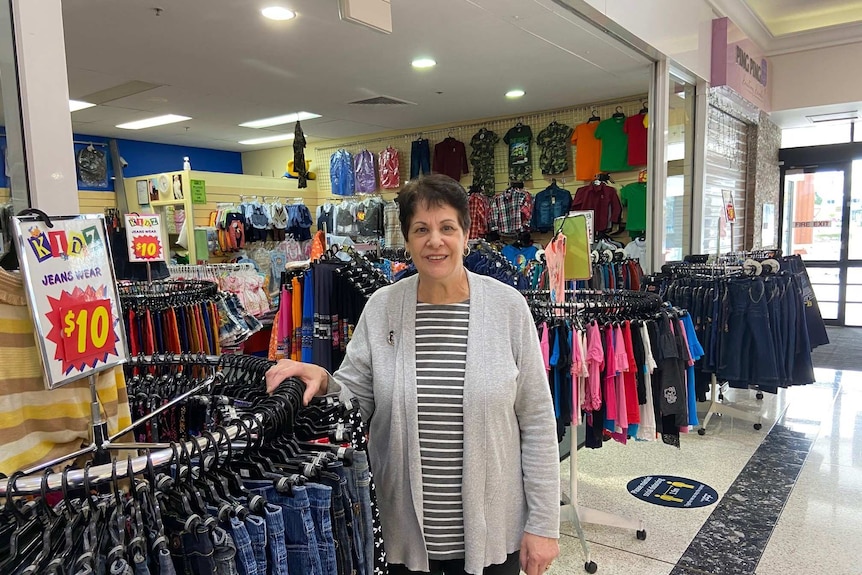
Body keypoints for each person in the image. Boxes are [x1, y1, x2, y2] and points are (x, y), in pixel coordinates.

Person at [265, 174, 560, 575]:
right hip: (402, 535)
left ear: (466, 234)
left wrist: (543, 525)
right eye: (421, 229)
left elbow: (538, 421)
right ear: (406, 239)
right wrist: (323, 378)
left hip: (494, 533)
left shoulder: (508, 308)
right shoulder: (382, 307)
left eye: (446, 228)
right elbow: (356, 400)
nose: (434, 241)